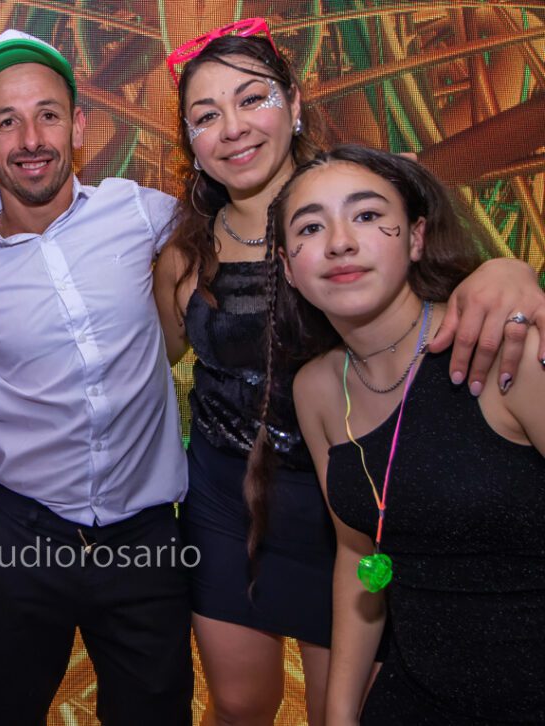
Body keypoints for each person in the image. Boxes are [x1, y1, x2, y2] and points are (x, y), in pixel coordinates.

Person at [152, 20, 545, 726]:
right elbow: (149, 361)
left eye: (253, 99)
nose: (233, 128)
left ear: (296, 103)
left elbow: (446, 274)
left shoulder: (363, 195)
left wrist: (509, 272)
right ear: (189, 140)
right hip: (228, 496)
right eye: (206, 115)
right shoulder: (183, 251)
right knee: (238, 703)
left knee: (353, 699)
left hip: (357, 490)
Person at [0, 29, 194, 725]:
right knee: (5, 712)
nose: (31, 139)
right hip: (22, 540)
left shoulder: (141, 212)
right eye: (8, 122)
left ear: (79, 126)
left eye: (48, 115)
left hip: (145, 540)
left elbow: (247, 226)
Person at [270, 145, 544, 725]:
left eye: (367, 215)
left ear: (416, 238)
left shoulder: (505, 349)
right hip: (417, 695)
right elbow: (357, 551)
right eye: (311, 227)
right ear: (288, 268)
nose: (340, 242)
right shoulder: (317, 388)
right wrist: (340, 713)